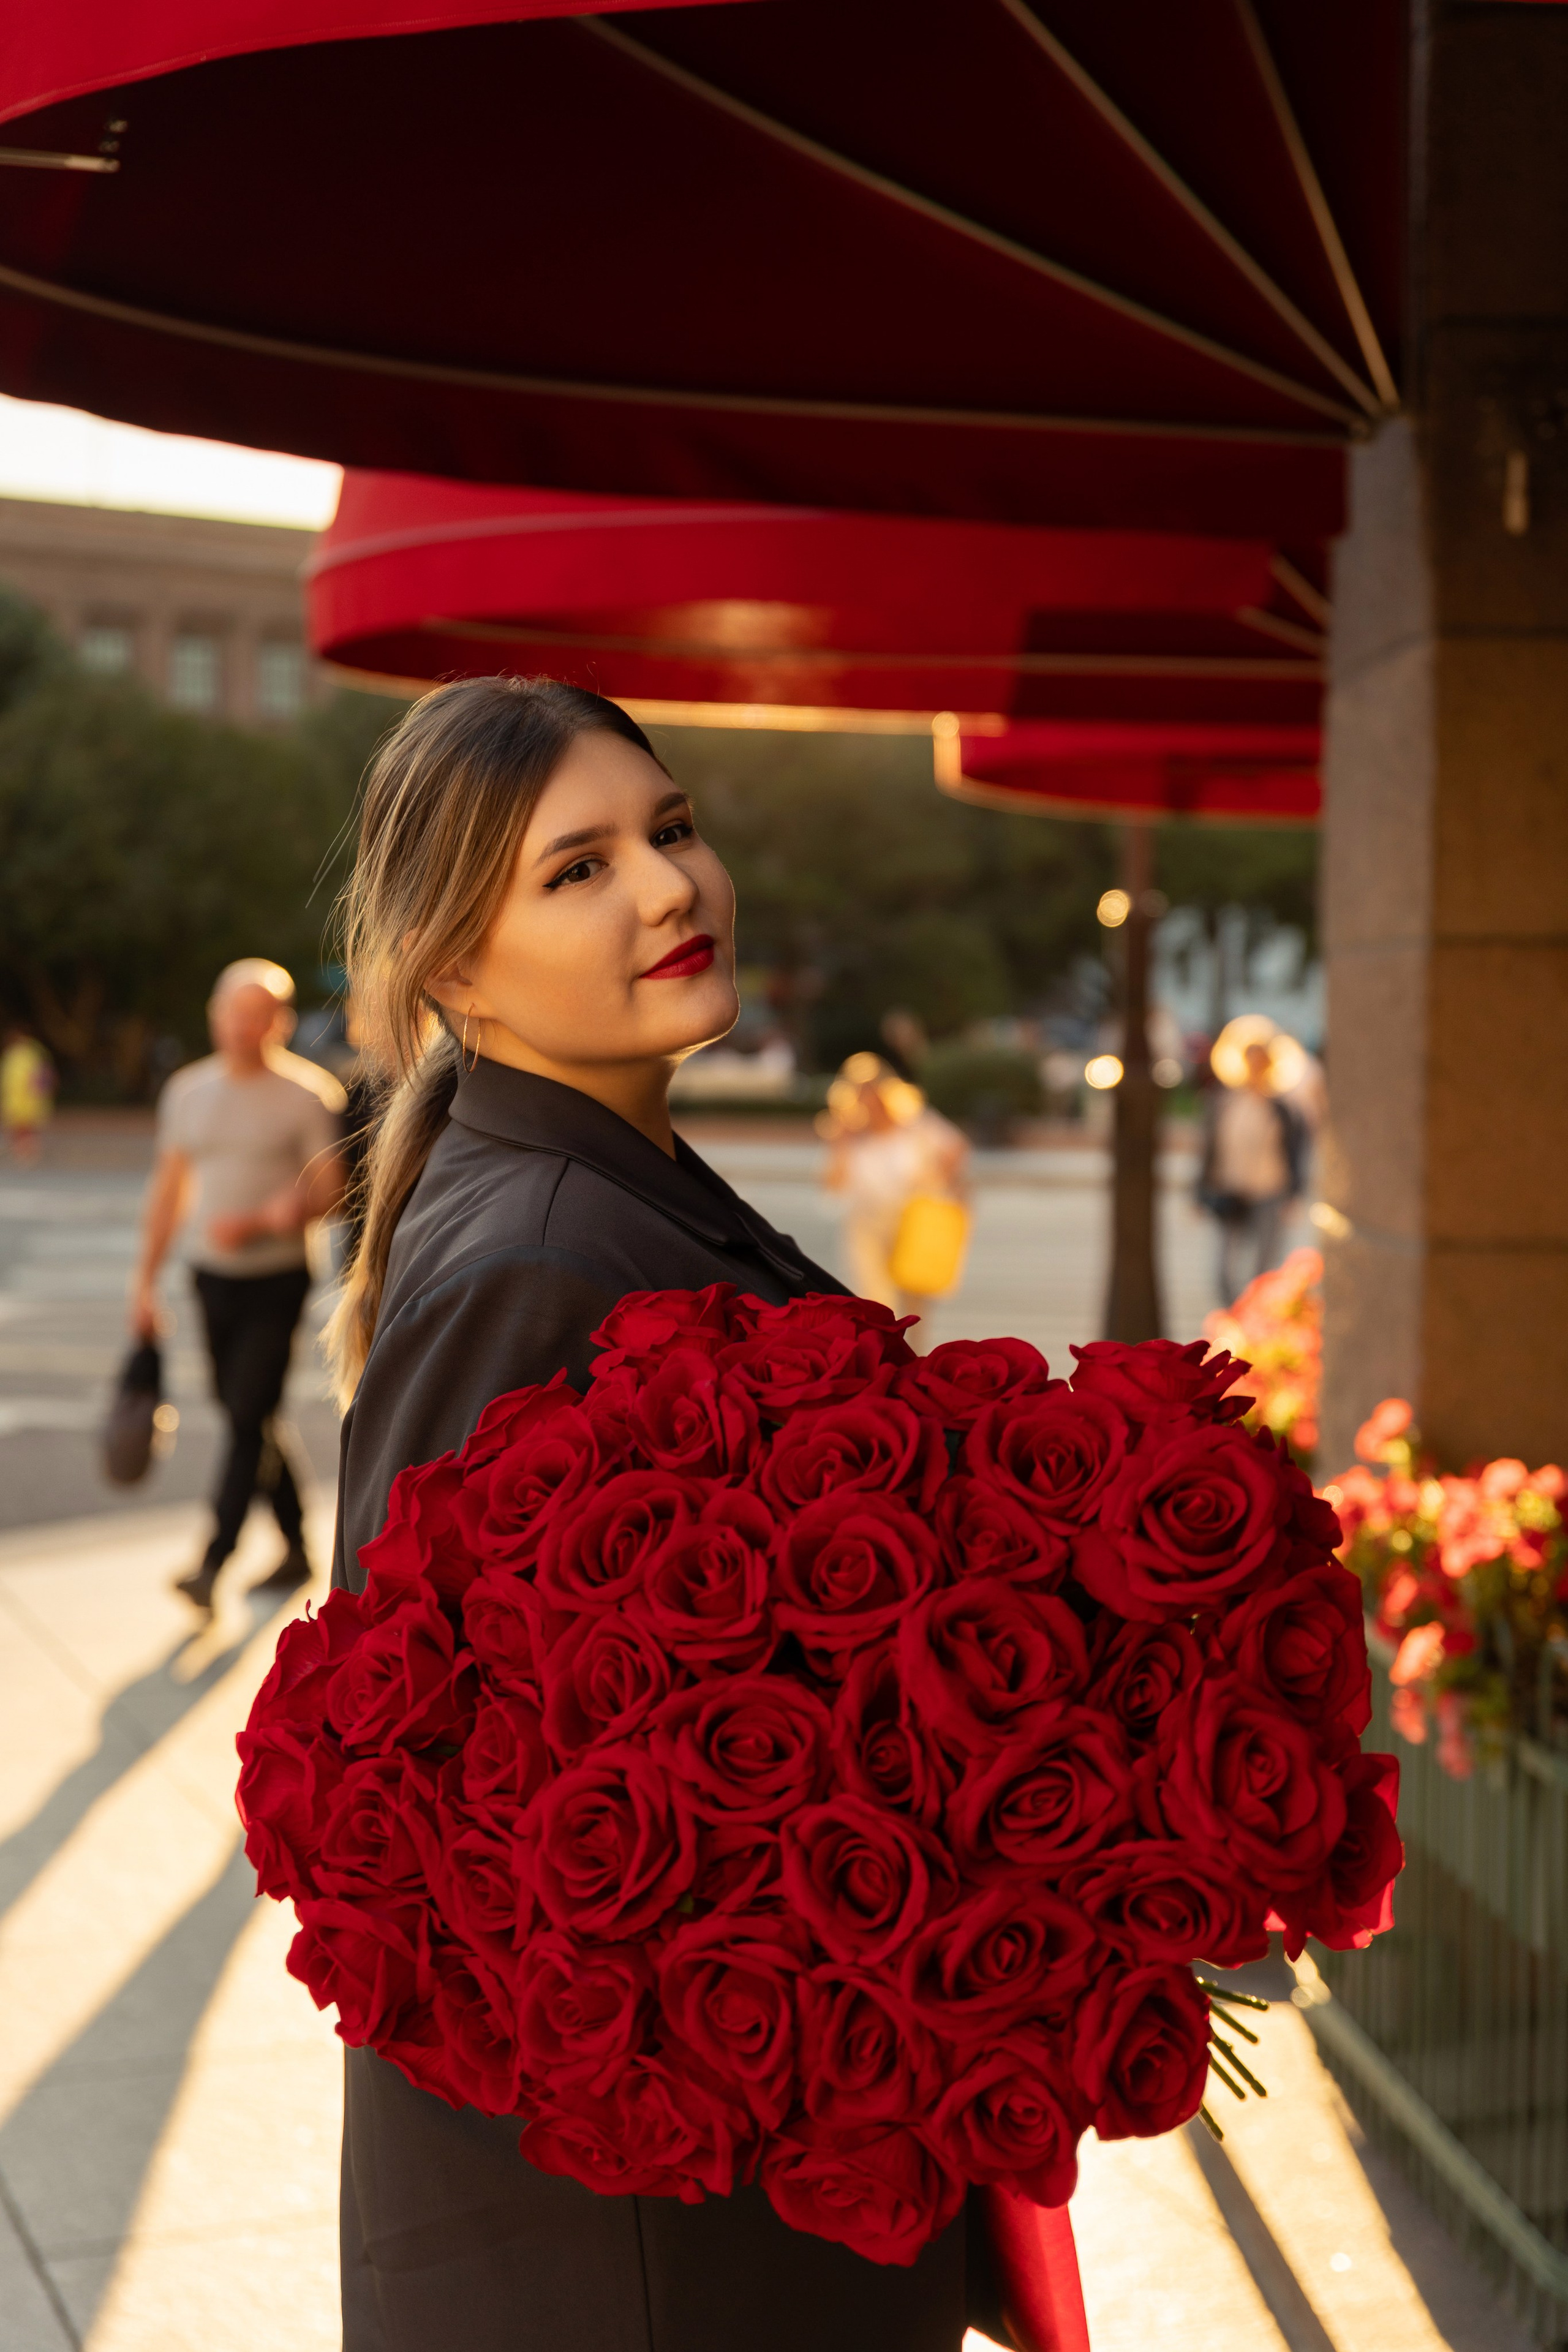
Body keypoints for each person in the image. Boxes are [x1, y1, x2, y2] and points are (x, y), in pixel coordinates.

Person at [325, 677, 1008, 2352]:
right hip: (635, 2248)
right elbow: (423, 1818)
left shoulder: (612, 1182)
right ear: (455, 965)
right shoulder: (542, 1260)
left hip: (717, 2200)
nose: (668, 888)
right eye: (579, 868)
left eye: (674, 829)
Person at [131, 960, 347, 1611]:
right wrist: (143, 1283)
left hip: (276, 1279)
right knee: (247, 1413)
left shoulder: (310, 1095)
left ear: (279, 1022)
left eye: (258, 1015)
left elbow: (334, 1190)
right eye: (233, 1012)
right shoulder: (188, 1092)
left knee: (247, 1415)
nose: (243, 1026)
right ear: (214, 1014)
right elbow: (167, 1191)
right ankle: (298, 1549)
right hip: (208, 1279)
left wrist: (265, 1219)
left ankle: (213, 1561)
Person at [820, 1052, 970, 1329]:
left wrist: (939, 1183)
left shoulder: (916, 1124)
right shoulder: (848, 1134)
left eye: (873, 1092)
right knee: (875, 1300)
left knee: (915, 1300)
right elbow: (834, 1185)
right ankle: (885, 1355)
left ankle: (914, 1356)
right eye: (861, 1093)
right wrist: (840, 1144)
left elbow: (956, 1148)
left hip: (914, 1220)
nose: (868, 1100)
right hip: (867, 1224)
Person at [1199, 1034, 1306, 1303]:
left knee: (1265, 1263)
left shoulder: (1282, 1107)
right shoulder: (1226, 1103)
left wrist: (1295, 1193)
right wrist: (1201, 1190)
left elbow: (1295, 1150)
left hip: (1270, 1189)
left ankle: (1256, 1316)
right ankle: (1232, 1312)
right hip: (1232, 1189)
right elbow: (1210, 1148)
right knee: (1226, 1264)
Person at [1, 1022, 56, 1165]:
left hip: (27, 1098)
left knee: (26, 1126)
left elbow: (43, 1076)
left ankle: (27, 1151)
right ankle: (23, 1150)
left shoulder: (30, 1053)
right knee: (19, 1126)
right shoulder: (17, 1053)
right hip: (17, 1097)